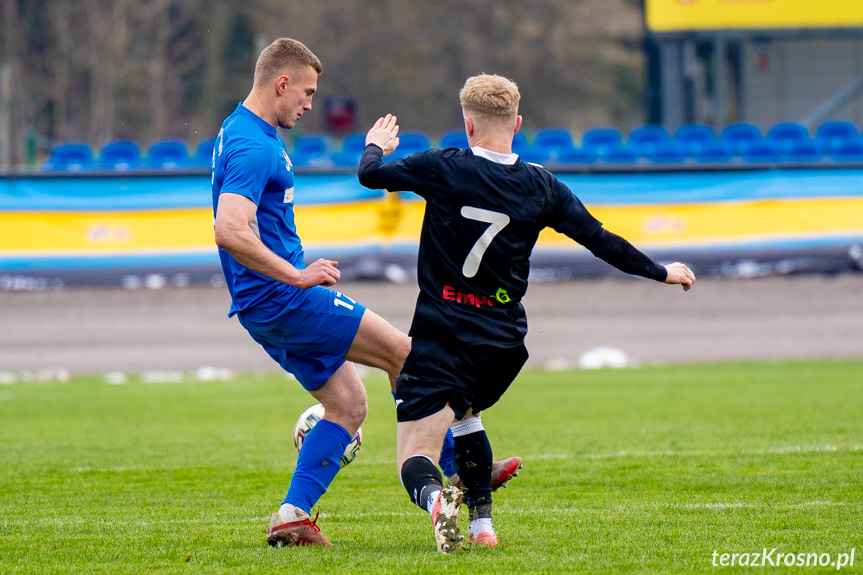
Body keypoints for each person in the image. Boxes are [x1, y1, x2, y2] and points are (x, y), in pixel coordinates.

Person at [358, 74, 696, 553]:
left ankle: (437, 502)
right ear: (517, 123)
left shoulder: (442, 167)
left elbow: (370, 175)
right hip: (502, 345)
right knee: (467, 417)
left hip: (442, 337)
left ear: (468, 125)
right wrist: (661, 271)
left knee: (415, 456)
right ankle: (481, 528)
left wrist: (375, 146)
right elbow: (601, 241)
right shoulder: (542, 186)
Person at [211, 39, 519, 548]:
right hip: (286, 298)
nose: (311, 104)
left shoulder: (240, 130)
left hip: (259, 305)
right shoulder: (253, 146)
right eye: (306, 92)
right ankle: (457, 470)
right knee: (407, 355)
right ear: (281, 84)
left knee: (349, 405)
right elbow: (230, 229)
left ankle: (292, 515)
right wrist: (298, 276)